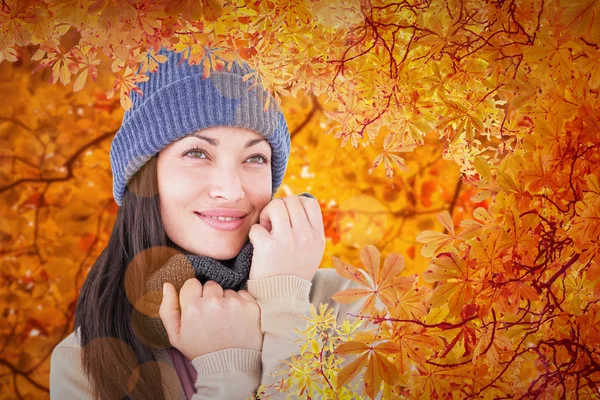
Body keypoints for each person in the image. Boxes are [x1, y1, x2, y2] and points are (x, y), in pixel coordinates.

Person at [49, 46, 376, 400]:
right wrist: (229, 375)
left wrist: (284, 301)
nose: (231, 190)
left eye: (254, 158)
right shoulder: (84, 361)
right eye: (196, 153)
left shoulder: (350, 300)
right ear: (145, 175)